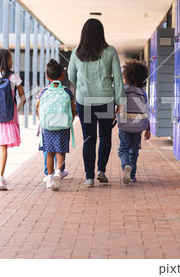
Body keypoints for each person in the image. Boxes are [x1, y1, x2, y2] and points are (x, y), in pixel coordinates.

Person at [68, 18, 125, 187]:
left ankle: (89, 177)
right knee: (105, 136)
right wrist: (120, 100)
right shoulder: (110, 51)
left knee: (88, 138)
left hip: (84, 100)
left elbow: (71, 75)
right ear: (101, 32)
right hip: (105, 99)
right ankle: (101, 170)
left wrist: (82, 87)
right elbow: (118, 77)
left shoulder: (76, 52)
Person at [0, 48, 25, 190]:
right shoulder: (13, 77)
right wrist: (15, 110)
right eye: (10, 58)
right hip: (8, 115)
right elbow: (23, 98)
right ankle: (1, 177)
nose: (12, 60)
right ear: (5, 60)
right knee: (3, 146)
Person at [37, 59, 76, 191]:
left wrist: (40, 118)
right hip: (63, 124)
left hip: (47, 125)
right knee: (61, 151)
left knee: (49, 153)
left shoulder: (43, 91)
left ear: (47, 77)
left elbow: (37, 105)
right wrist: (72, 119)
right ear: (62, 76)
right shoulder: (67, 91)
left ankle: (49, 177)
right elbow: (72, 107)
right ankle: (59, 172)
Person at [117, 60, 151, 184]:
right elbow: (146, 112)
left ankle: (126, 165)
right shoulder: (142, 93)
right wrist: (148, 129)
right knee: (134, 150)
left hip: (125, 125)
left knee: (123, 149)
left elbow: (117, 106)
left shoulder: (124, 91)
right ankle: (132, 175)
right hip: (138, 127)